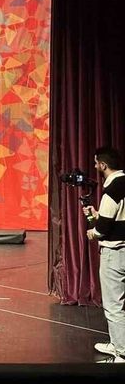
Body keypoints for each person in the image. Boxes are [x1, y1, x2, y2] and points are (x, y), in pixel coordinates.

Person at [83, 146, 125, 363]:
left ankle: (122, 352)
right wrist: (98, 214)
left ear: (103, 165)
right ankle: (118, 343)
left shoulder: (112, 191)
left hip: (115, 253)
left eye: (95, 163)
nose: (94, 166)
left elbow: (101, 230)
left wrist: (93, 231)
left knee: (114, 304)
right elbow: (117, 218)